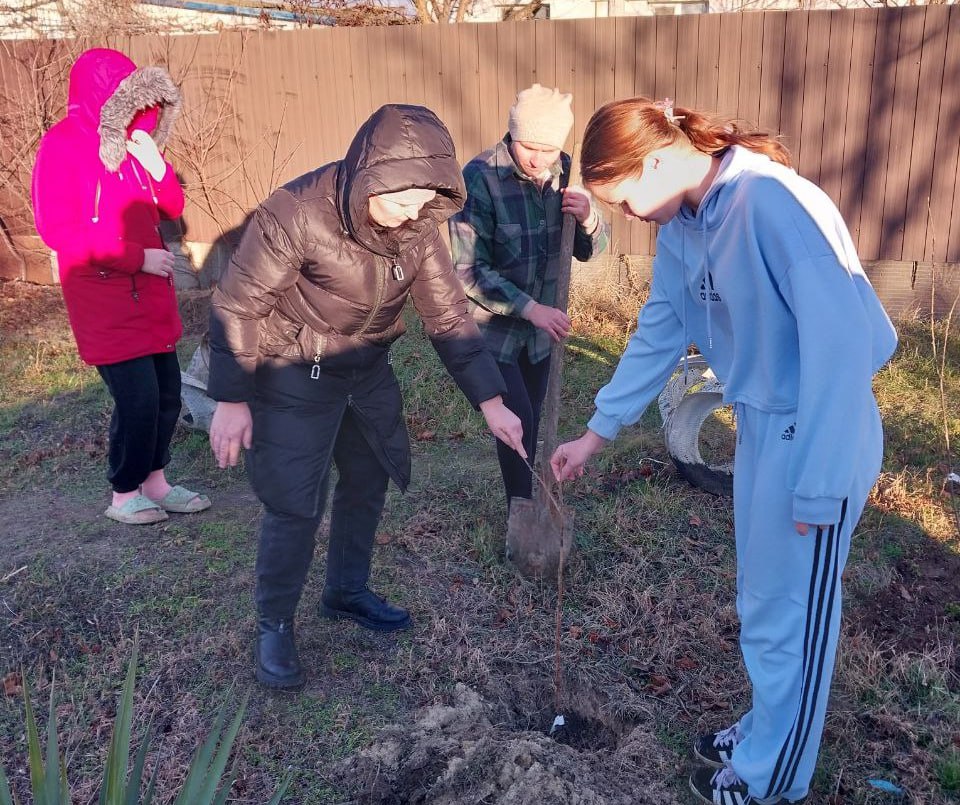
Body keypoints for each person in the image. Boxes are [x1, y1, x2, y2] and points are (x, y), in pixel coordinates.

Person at [550, 97, 897, 804]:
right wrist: (597, 431)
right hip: (763, 427)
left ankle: (776, 778)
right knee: (764, 601)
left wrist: (821, 480)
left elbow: (844, 341)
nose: (627, 217)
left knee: (797, 617)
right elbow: (661, 326)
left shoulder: (771, 203)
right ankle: (767, 727)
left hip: (818, 435)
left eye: (623, 202)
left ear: (651, 162)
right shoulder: (686, 223)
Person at [207, 104, 525, 691]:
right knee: (296, 502)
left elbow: (447, 313)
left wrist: (491, 402)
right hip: (292, 368)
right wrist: (231, 399)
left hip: (366, 367)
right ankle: (275, 624)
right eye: (400, 199)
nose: (411, 214)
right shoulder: (295, 212)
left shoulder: (418, 224)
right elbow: (237, 304)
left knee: (368, 476)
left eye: (423, 201)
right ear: (368, 175)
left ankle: (346, 591)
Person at [31, 47, 210, 526]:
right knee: (138, 400)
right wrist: (137, 258)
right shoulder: (63, 145)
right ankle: (123, 491)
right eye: (127, 101)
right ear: (104, 98)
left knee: (168, 395)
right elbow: (58, 230)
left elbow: (169, 206)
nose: (137, 113)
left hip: (150, 295)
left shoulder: (135, 144)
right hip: (103, 299)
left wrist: (156, 165)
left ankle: (155, 483)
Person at [449, 84, 608, 510]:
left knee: (533, 418)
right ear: (511, 134)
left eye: (549, 149)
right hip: (493, 330)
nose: (538, 159)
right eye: (529, 147)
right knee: (515, 421)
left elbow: (590, 249)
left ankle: (536, 496)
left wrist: (590, 218)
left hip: (541, 336)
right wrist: (530, 308)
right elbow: (466, 269)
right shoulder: (479, 178)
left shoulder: (567, 174)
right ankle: (520, 507)